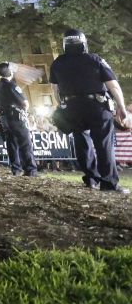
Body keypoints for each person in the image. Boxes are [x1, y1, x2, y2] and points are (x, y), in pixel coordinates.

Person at [49, 29, 129, 194]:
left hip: (72, 108)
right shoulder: (95, 59)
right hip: (97, 106)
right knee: (103, 144)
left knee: (81, 142)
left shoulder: (57, 63)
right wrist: (121, 106)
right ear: (83, 42)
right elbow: (112, 84)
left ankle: (91, 179)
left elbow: (55, 89)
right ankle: (108, 183)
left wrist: (63, 105)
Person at [0, 62, 38, 177]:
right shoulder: (12, 85)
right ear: (9, 72)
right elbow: (25, 104)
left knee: (11, 144)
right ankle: (30, 169)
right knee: (25, 143)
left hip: (4, 119)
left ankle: (16, 169)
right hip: (16, 118)